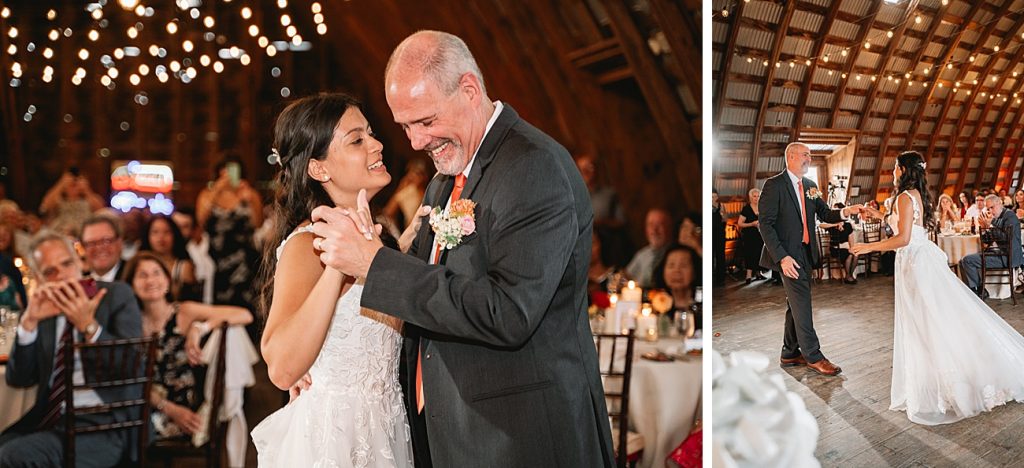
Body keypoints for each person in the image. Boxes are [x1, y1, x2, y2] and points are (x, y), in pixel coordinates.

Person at [309, 31, 614, 467]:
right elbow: (418, 300)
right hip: (453, 430)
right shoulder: (442, 181)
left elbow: (508, 312)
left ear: (469, 90)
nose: (416, 141)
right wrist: (323, 365)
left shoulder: (532, 167)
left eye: (426, 121)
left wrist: (375, 263)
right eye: (405, 126)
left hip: (519, 438)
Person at [250, 93, 417, 467]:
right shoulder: (309, 245)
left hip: (386, 428)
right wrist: (338, 266)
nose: (376, 145)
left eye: (371, 134)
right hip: (335, 440)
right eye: (357, 140)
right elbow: (281, 368)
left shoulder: (382, 235)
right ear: (319, 169)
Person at [850, 151, 1024, 425]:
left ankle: (949, 382)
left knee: (928, 322)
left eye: (896, 167)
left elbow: (904, 238)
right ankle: (935, 378)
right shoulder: (913, 195)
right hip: (917, 260)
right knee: (929, 320)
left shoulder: (905, 197)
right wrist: (879, 214)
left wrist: (868, 247)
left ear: (904, 170)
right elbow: (904, 225)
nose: (893, 171)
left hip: (915, 262)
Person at [0, 230, 142, 466]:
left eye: (66, 264)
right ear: (39, 278)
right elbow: (20, 378)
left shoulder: (115, 295)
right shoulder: (44, 309)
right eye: (50, 271)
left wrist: (89, 326)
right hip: (52, 421)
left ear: (79, 261)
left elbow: (131, 366)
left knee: (11, 457)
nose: (62, 276)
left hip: (107, 423)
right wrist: (28, 324)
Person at [122, 252, 252, 441]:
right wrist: (165, 407)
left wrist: (199, 328)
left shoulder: (183, 312)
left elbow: (244, 315)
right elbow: (128, 377)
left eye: (157, 273)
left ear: (167, 281)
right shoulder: (129, 322)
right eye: (142, 275)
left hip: (186, 409)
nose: (151, 280)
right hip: (145, 405)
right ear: (131, 284)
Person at [758, 142, 861, 377]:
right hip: (787, 256)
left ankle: (789, 352)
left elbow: (825, 213)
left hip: (806, 251)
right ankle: (813, 355)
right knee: (802, 302)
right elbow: (766, 225)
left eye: (810, 155)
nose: (809, 158)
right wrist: (782, 257)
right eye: (805, 154)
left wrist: (847, 211)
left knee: (794, 303)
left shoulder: (811, 186)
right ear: (791, 157)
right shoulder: (774, 185)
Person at [197, 159, 262, 314]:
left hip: (245, 259)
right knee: (220, 307)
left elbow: (258, 223)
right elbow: (201, 221)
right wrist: (217, 190)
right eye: (225, 170)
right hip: (218, 260)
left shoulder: (249, 193)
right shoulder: (207, 194)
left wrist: (249, 199)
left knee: (247, 305)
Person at [956, 194, 1024, 298]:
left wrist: (990, 224)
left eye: (992, 207)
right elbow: (986, 241)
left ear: (999, 203)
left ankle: (978, 291)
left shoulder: (1010, 216)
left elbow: (1006, 238)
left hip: (1008, 257)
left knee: (967, 260)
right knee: (961, 261)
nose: (990, 211)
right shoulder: (997, 217)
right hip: (998, 253)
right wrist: (984, 228)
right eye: (988, 209)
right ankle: (978, 290)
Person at [139, 215, 198, 301]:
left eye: (167, 232)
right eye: (155, 232)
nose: (161, 237)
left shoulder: (184, 267)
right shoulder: (140, 264)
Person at [39, 168, 106, 236]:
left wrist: (86, 189)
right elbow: (45, 206)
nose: (74, 187)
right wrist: (61, 184)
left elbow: (102, 210)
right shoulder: (58, 200)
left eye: (76, 184)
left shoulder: (89, 199)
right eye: (71, 185)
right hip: (60, 235)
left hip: (84, 234)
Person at [172, 208, 215, 304]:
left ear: (196, 229)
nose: (178, 231)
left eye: (184, 227)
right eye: (175, 227)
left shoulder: (213, 245)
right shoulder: (172, 255)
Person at [653, 244, 702, 330]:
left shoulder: (701, 307)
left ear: (695, 271)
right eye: (671, 265)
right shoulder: (655, 307)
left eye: (683, 265)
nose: (677, 271)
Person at [625, 208, 674, 288]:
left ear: (669, 227)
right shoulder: (642, 255)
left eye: (660, 224)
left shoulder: (676, 254)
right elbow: (626, 277)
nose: (655, 230)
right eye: (651, 225)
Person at [819, 203, 859, 284]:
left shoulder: (847, 225)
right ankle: (848, 276)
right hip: (835, 249)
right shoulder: (831, 225)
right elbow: (820, 225)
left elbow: (851, 239)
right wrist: (835, 224)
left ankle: (849, 275)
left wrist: (852, 249)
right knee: (849, 255)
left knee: (855, 255)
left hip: (845, 248)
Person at [80, 214, 126, 282]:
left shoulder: (134, 276)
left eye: (106, 241)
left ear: (119, 242)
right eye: (91, 243)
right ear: (83, 248)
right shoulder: (79, 280)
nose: (99, 248)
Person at [738, 188, 766, 283]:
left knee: (760, 253)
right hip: (749, 235)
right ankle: (748, 275)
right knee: (750, 254)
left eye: (758, 196)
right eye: (754, 196)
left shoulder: (762, 207)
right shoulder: (746, 209)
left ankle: (758, 273)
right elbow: (740, 223)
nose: (756, 198)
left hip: (761, 235)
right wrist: (752, 224)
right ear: (750, 197)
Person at [711, 188, 726, 286]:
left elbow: (725, 219)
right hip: (711, 233)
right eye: (712, 196)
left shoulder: (721, 206)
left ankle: (721, 278)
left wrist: (722, 215)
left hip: (720, 233)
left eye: (715, 196)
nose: (714, 198)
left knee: (720, 255)